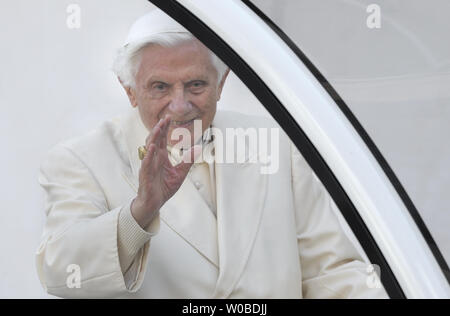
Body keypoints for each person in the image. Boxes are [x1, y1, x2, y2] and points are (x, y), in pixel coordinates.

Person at [36, 9, 388, 298]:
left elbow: (331, 273)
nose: (180, 105)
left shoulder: (276, 144)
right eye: (160, 87)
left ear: (221, 83)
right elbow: (62, 271)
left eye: (196, 85)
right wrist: (139, 212)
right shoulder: (80, 160)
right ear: (129, 91)